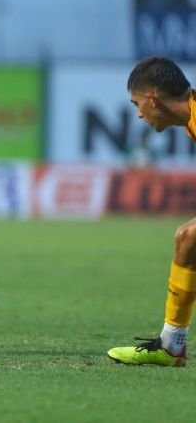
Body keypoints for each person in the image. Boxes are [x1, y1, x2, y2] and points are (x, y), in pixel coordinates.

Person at [107, 55, 196, 367]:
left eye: (136, 105)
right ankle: (171, 345)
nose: (139, 115)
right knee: (189, 239)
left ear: (153, 98)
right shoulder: (191, 121)